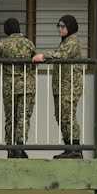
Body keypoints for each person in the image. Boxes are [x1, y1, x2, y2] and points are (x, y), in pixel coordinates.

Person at [0, 18, 37, 158]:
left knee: (10, 118)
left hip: (10, 87)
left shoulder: (3, 43)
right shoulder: (28, 43)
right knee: (23, 117)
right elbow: (35, 60)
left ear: (7, 30)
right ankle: (20, 146)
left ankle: (10, 148)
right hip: (27, 86)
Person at [32, 14, 84, 159]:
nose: (60, 29)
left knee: (67, 116)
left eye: (63, 26)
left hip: (69, 86)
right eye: (59, 26)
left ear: (70, 27)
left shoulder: (72, 41)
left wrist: (43, 56)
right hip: (62, 86)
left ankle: (75, 148)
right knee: (61, 116)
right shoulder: (65, 41)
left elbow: (61, 55)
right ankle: (69, 147)